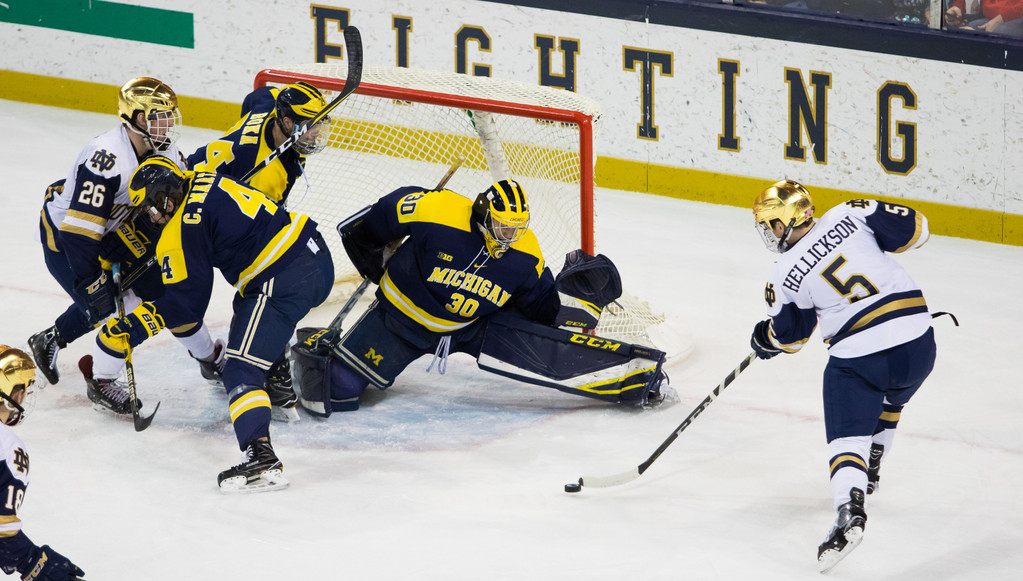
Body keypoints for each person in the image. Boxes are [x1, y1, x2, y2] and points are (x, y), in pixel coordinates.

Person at [289, 179, 669, 417]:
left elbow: (539, 307)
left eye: (517, 228)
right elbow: (365, 226)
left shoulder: (524, 251)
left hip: (470, 328)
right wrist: (377, 261)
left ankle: (636, 377)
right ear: (484, 214)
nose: (509, 236)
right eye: (503, 226)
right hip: (400, 322)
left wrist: (573, 309)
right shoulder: (434, 209)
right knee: (333, 392)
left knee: (547, 349)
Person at [95, 156, 334, 493]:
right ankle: (278, 389)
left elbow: (186, 307)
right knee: (248, 309)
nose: (152, 216)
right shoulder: (201, 176)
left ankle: (262, 458)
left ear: (162, 195)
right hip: (315, 256)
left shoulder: (180, 228)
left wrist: (138, 326)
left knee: (239, 370)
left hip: (283, 278)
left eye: (150, 207)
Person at [748, 180, 936, 573]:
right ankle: (875, 461)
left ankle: (849, 511)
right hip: (920, 342)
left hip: (861, 359)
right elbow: (919, 229)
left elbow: (792, 338)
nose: (769, 233)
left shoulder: (784, 272)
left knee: (847, 437)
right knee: (892, 394)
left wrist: (765, 337)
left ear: (783, 224)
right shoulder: (851, 212)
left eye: (770, 224)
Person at [156, 81, 331, 420]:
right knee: (258, 289)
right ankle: (266, 370)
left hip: (192, 185)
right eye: (308, 127)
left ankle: (258, 361)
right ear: (284, 121)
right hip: (188, 215)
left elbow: (260, 93)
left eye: (318, 125)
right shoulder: (266, 176)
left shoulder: (267, 110)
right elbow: (253, 225)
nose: (314, 135)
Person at [28, 77, 185, 414]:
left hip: (115, 229)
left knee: (152, 289)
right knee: (106, 302)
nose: (169, 122)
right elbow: (79, 232)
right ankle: (99, 380)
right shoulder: (106, 159)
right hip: (66, 234)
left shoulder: (166, 149)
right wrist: (91, 281)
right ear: (140, 118)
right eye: (161, 115)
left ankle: (49, 339)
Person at [0, 346, 85, 580]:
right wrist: (33, 561)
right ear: (13, 393)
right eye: (23, 390)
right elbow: (1, 530)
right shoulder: (8, 448)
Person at [946, 0, 1023, 36]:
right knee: (969, 29)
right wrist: (958, 8)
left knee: (998, 35)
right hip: (990, 17)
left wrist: (1001, 19)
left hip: (1017, 16)